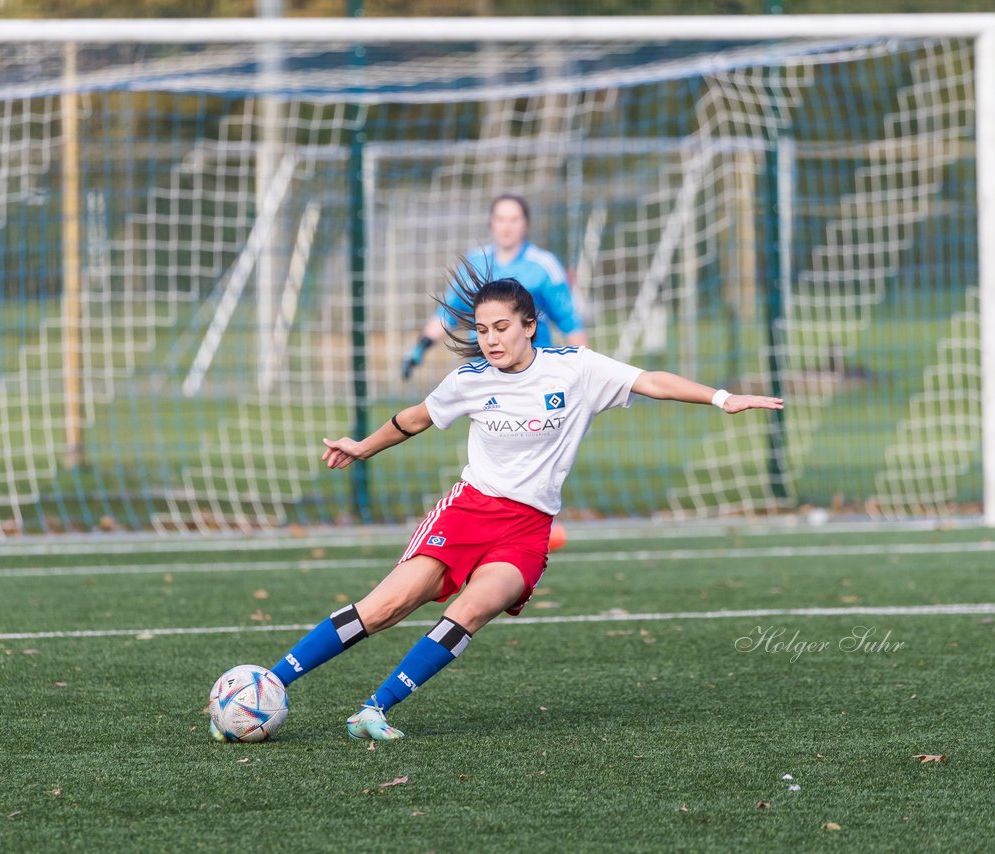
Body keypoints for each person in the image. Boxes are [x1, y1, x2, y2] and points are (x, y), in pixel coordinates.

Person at [256, 263, 783, 742]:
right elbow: (414, 418)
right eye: (482, 330)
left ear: (530, 325)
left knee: (472, 609)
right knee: (385, 608)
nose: (490, 340)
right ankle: (267, 685)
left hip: (526, 530)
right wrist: (361, 448)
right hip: (467, 513)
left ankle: (374, 709)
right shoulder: (470, 379)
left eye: (501, 327)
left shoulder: (575, 369)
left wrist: (721, 397)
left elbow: (650, 381)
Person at [400, 194, 586, 381]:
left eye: (514, 220)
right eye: (501, 219)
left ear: (526, 225)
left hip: (531, 373)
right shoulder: (475, 262)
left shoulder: (543, 265)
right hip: (483, 370)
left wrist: (583, 369)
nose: (507, 226)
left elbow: (568, 320)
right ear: (491, 223)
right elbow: (448, 313)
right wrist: (420, 348)